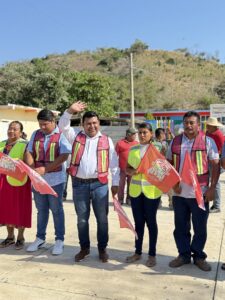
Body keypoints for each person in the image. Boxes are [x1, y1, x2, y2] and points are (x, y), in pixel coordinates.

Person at [58, 101, 120, 263]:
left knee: (102, 219)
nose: (92, 126)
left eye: (94, 123)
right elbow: (63, 126)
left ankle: (102, 249)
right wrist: (70, 111)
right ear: (82, 125)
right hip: (79, 185)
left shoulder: (107, 140)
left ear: (99, 124)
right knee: (82, 219)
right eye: (88, 123)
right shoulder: (74, 137)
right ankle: (84, 248)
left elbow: (114, 164)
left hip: (100, 184)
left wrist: (115, 184)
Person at [167, 111, 220, 271]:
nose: (188, 126)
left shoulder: (208, 142)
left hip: (200, 193)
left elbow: (215, 166)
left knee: (200, 227)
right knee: (181, 227)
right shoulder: (174, 141)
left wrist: (212, 188)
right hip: (179, 193)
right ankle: (183, 255)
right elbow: (168, 164)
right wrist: (172, 184)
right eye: (186, 123)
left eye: (192, 123)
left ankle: (198, 256)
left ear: (199, 124)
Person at [25, 109, 72, 255]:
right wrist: (33, 169)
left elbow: (64, 154)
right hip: (38, 180)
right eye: (40, 124)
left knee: (56, 210)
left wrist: (45, 169)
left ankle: (59, 240)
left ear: (53, 122)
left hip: (55, 180)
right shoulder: (36, 134)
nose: (42, 127)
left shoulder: (61, 134)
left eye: (45, 124)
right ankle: (40, 238)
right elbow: (29, 152)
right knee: (41, 210)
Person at [125, 122, 162, 268]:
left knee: (151, 223)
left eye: (145, 132)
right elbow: (127, 168)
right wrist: (132, 171)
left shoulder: (157, 148)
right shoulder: (133, 149)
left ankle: (152, 254)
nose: (142, 135)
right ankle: (138, 252)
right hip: (136, 191)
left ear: (151, 134)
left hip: (152, 192)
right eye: (140, 132)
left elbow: (163, 169)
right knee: (138, 223)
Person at [0, 121, 32, 250]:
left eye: (15, 129)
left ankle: (20, 237)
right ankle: (9, 237)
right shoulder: (2, 143)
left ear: (20, 131)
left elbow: (29, 163)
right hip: (3, 182)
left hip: (19, 182)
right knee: (6, 208)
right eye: (10, 128)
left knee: (20, 208)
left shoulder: (25, 145)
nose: (11, 131)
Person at [115, 128, 138, 205]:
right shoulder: (120, 143)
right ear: (128, 134)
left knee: (131, 185)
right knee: (121, 184)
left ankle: (129, 199)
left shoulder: (137, 144)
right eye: (134, 134)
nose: (135, 135)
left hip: (132, 169)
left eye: (135, 134)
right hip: (122, 169)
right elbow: (114, 156)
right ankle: (120, 199)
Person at [206, 117, 224, 213]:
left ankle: (217, 206)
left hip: (216, 161)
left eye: (209, 125)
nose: (207, 126)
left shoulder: (219, 135)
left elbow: (221, 150)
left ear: (214, 126)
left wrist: (213, 156)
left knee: (215, 182)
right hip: (208, 160)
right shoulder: (208, 133)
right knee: (209, 181)